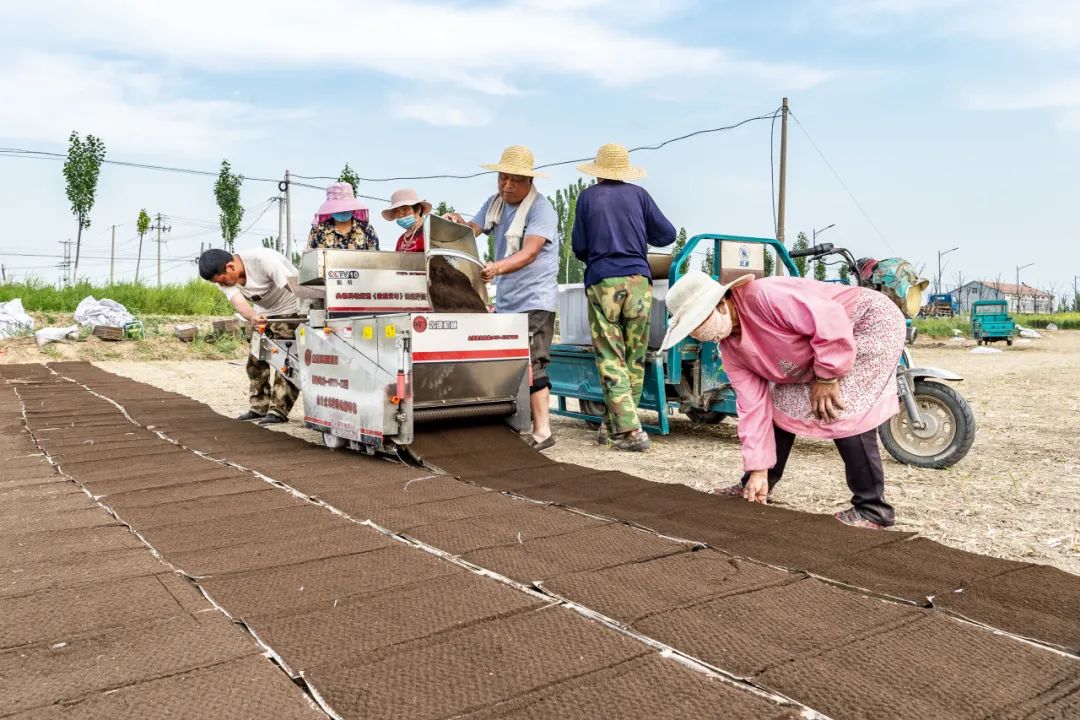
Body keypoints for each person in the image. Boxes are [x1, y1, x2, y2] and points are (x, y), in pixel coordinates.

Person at [660, 270, 906, 529]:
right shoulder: (731, 350)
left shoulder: (764, 296)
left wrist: (827, 377)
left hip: (864, 322)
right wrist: (758, 467)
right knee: (780, 407)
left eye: (698, 322)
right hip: (822, 345)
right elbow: (753, 407)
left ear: (721, 303)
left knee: (841, 407)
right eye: (691, 329)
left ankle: (873, 509)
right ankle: (759, 482)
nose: (698, 333)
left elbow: (829, 318)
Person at [442, 146, 559, 450]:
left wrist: (496, 268)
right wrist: (455, 223)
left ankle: (543, 431)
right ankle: (512, 422)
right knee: (507, 362)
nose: (507, 185)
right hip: (507, 301)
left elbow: (530, 252)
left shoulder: (541, 210)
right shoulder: (495, 203)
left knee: (533, 361)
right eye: (502, 178)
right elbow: (471, 230)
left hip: (535, 300)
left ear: (529, 181)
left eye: (514, 180)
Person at [572, 143, 676, 452]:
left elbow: (579, 247)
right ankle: (612, 424)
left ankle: (629, 430)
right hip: (639, 282)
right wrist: (640, 232)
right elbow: (667, 234)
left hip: (603, 281)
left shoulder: (588, 197)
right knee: (634, 356)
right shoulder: (639, 196)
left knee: (610, 356)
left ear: (598, 172)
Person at [198, 247, 301, 426]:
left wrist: (311, 310)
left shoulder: (263, 260)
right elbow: (238, 301)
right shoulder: (222, 279)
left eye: (222, 280)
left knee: (285, 359)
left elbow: (293, 287)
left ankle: (279, 409)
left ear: (230, 267)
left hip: (292, 308)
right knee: (255, 358)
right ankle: (259, 405)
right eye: (217, 283)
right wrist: (253, 317)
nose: (222, 284)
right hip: (265, 312)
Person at [308, 182, 379, 250]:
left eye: (346, 207)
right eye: (338, 207)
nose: (342, 210)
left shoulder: (366, 229)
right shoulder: (318, 230)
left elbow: (376, 256)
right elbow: (308, 255)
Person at [382, 188, 432, 253]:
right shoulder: (401, 240)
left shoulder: (429, 235)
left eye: (405, 209)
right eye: (397, 211)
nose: (401, 214)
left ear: (418, 209)